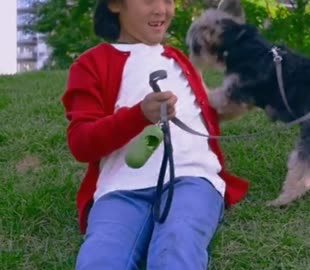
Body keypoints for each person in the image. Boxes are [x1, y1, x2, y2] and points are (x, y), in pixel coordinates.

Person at [61, 0, 249, 269]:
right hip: (120, 189)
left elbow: (206, 111)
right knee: (100, 259)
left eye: (168, 0)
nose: (161, 9)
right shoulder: (90, 64)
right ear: (115, 4)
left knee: (177, 248)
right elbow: (81, 143)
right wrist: (138, 115)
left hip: (192, 179)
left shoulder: (179, 60)